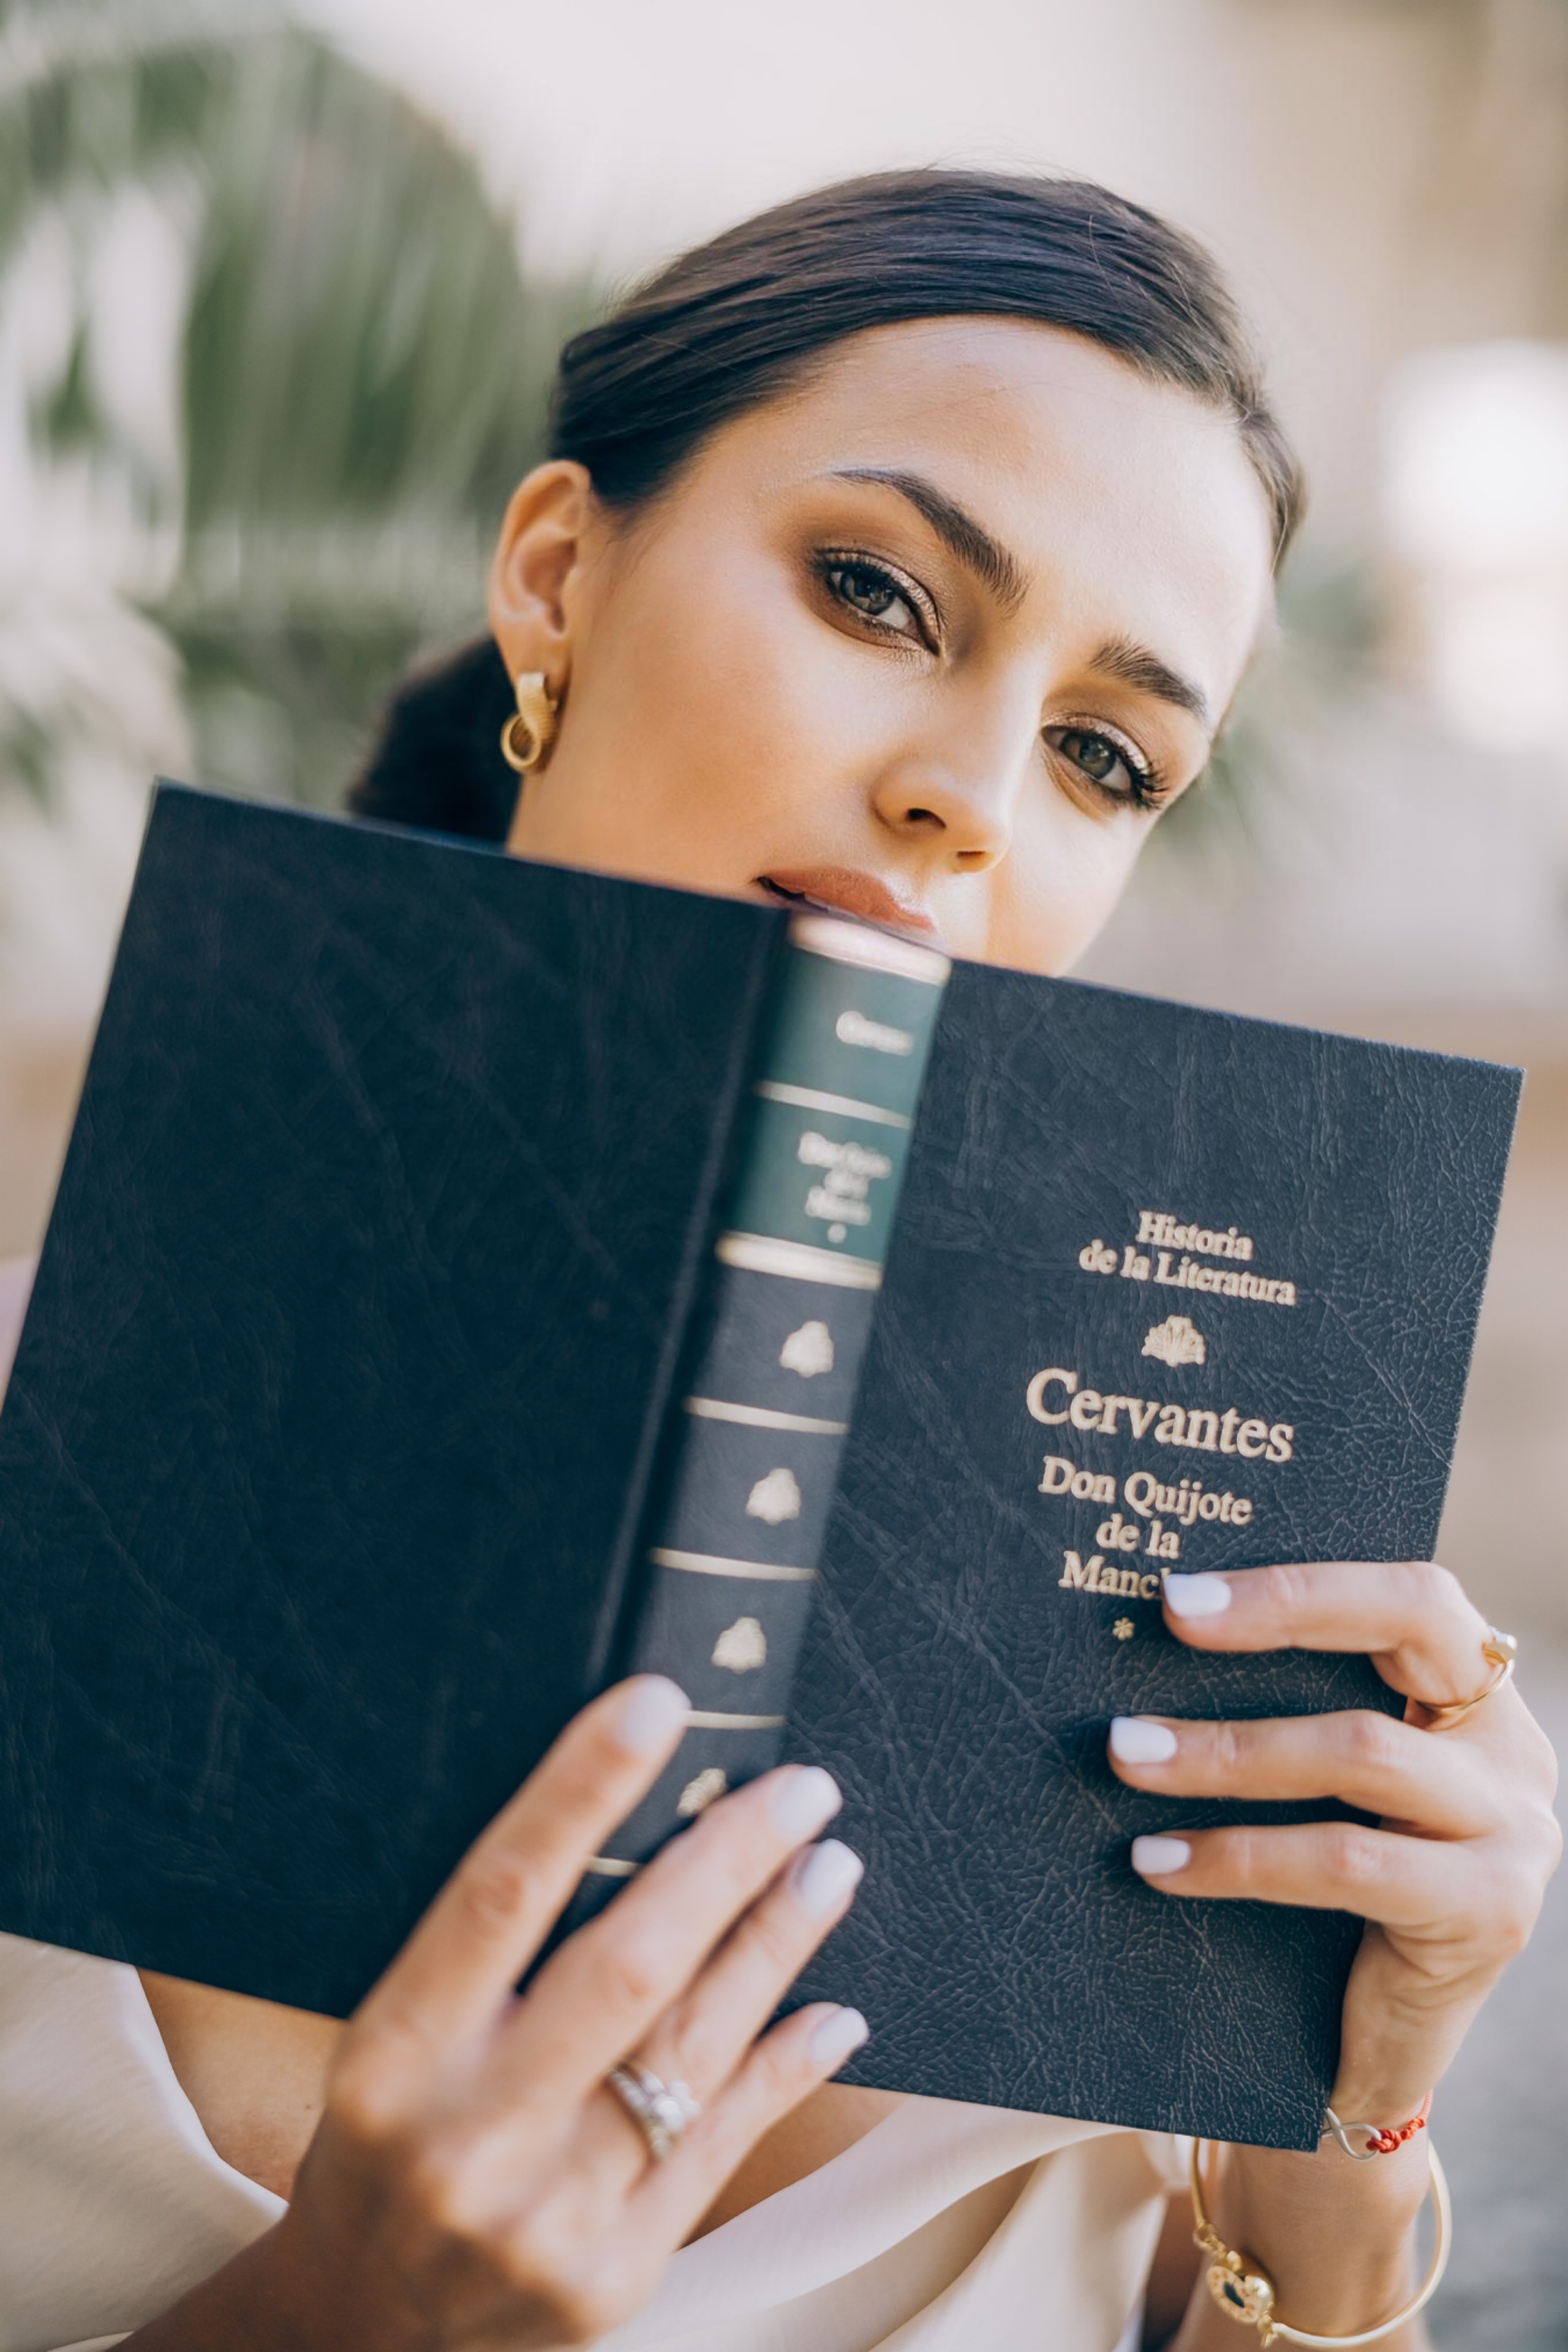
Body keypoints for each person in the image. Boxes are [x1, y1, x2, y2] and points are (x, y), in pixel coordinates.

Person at [0, 170, 1556, 2352]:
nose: (973, 796)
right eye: (880, 594)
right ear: (558, 576)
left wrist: (1341, 2139)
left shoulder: (1155, 1691)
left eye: (1109, 755)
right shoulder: (43, 1460)